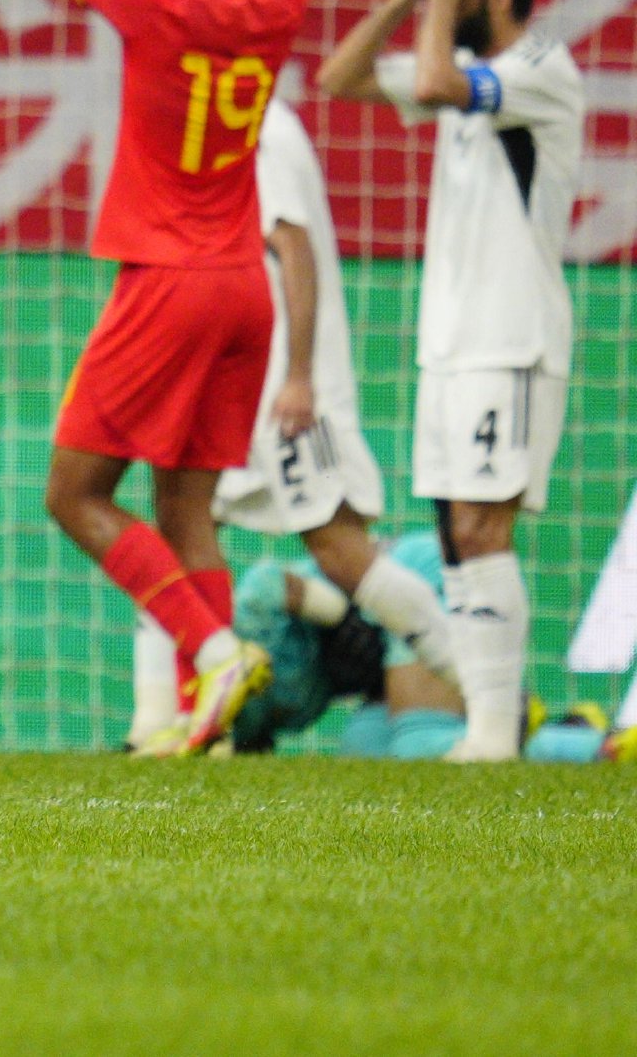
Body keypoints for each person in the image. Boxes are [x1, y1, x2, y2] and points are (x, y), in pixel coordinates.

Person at [18, 0, 312, 755]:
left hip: (168, 281)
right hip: (242, 286)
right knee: (187, 510)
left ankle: (216, 651)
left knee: (73, 494)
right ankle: (209, 719)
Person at [317, 0, 585, 761]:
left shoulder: (541, 68)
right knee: (450, 536)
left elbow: (432, 81)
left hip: (511, 337)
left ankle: (495, 736)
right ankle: (488, 729)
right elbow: (339, 77)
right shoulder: (469, 71)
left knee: (480, 531)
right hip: (451, 341)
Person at [126, 99, 457, 748]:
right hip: (233, 373)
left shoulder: (258, 123)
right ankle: (157, 724)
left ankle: (484, 690)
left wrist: (301, 374)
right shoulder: (213, 116)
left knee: (339, 550)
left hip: (285, 385)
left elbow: (292, 244)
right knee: (174, 532)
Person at [217, 534, 631, 763]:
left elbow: (265, 584)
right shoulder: (249, 720)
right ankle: (562, 726)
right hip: (384, 653)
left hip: (411, 585)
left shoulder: (239, 676)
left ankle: (602, 748)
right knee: (364, 750)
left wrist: (344, 615)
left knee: (420, 744)